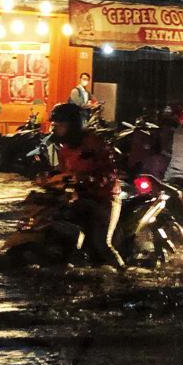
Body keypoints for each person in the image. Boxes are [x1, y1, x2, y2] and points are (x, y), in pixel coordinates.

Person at [48, 102, 124, 268]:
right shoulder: (64, 150)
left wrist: (86, 179)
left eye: (59, 125)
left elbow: (109, 175)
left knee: (102, 244)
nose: (55, 129)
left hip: (104, 198)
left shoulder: (95, 144)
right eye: (54, 125)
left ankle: (124, 275)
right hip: (81, 198)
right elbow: (63, 173)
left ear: (73, 125)